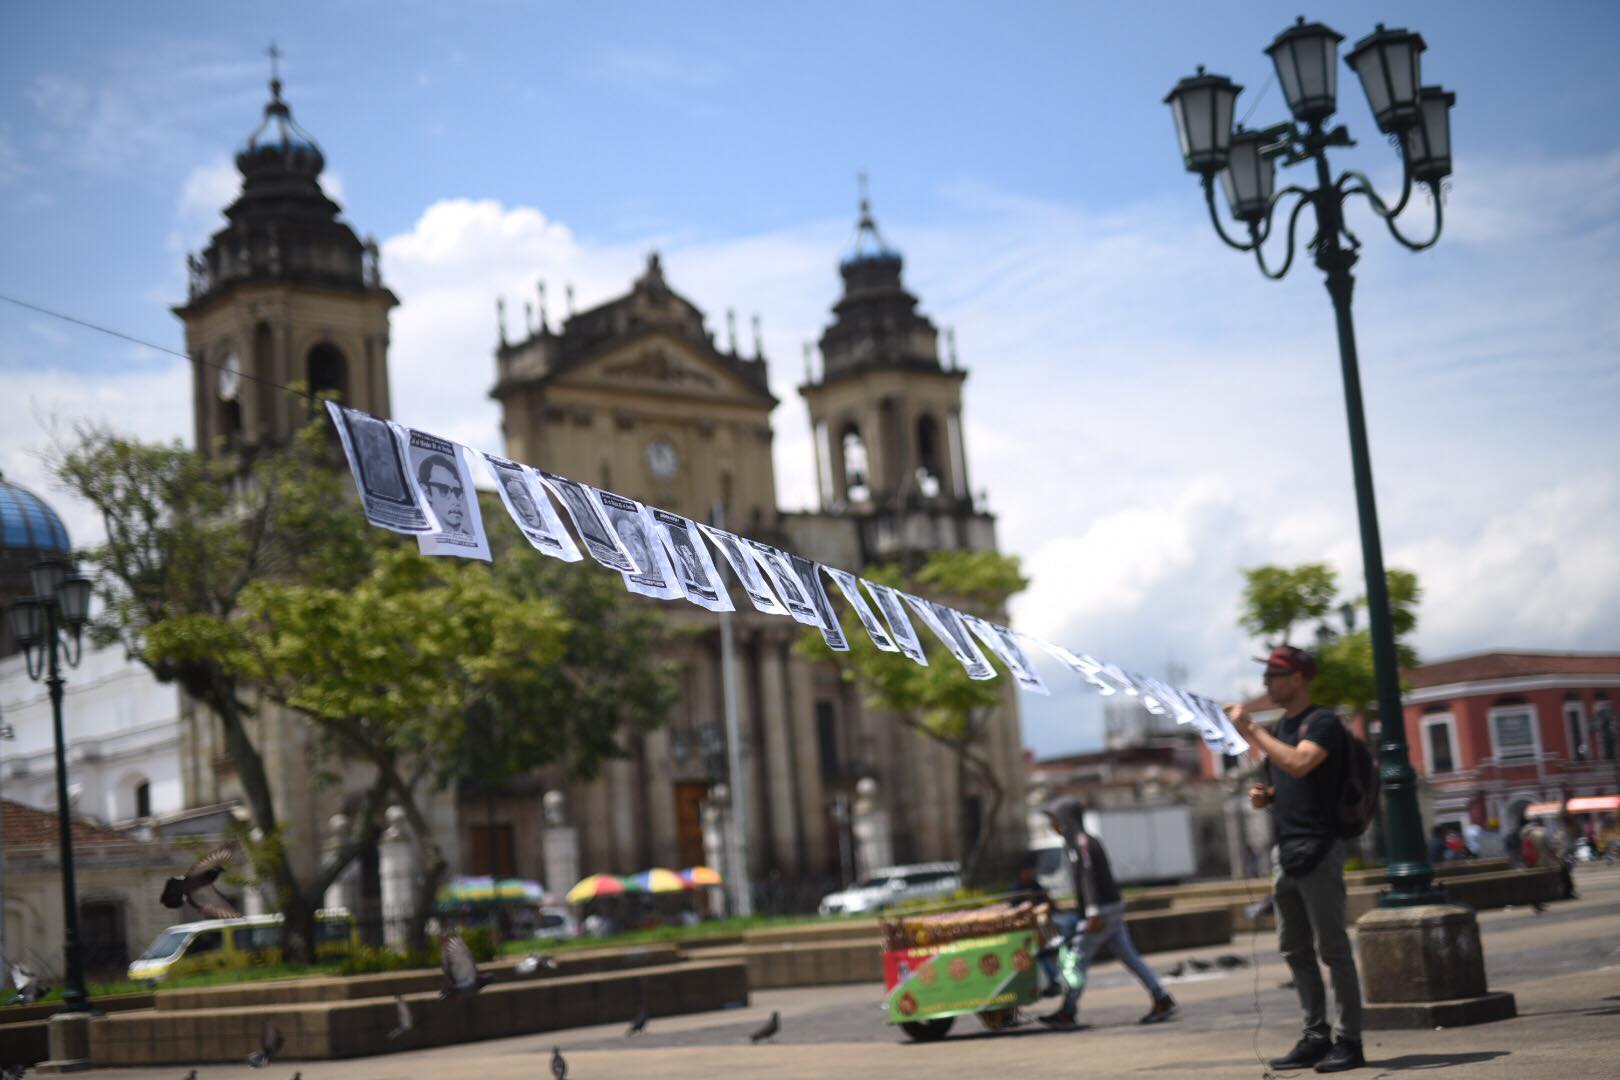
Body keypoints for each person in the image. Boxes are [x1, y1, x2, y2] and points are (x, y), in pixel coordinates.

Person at [1226, 645, 1363, 1073]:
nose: (1266, 682)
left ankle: (1350, 1041)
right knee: (1293, 948)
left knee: (1333, 949)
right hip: (1285, 851)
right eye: (1266, 675)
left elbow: (1302, 763)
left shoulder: (1321, 723)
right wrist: (1267, 796)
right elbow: (1290, 781)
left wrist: (1252, 729)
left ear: (1298, 678)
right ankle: (1315, 1035)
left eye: (1274, 674)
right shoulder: (1283, 726)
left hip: (1320, 848)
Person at [1037, 797, 1177, 1029]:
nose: (1052, 825)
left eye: (1053, 819)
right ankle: (1161, 998)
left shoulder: (1082, 843)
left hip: (1102, 911)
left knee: (1077, 960)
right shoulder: (1074, 843)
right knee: (1129, 956)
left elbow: (1088, 877)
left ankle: (1068, 1011)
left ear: (1064, 820)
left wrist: (1092, 911)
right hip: (1106, 909)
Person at [1009, 852, 1061, 998]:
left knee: (1047, 951)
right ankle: (1051, 982)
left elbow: (1050, 904)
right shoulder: (1017, 889)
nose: (1032, 872)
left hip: (1041, 929)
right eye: (1030, 870)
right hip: (1027, 932)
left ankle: (1053, 982)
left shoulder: (1034, 885)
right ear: (1023, 871)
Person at [417, 453, 468, 536]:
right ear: (426, 491)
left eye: (458, 492)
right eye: (444, 490)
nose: (455, 501)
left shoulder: (470, 538)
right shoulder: (416, 536)